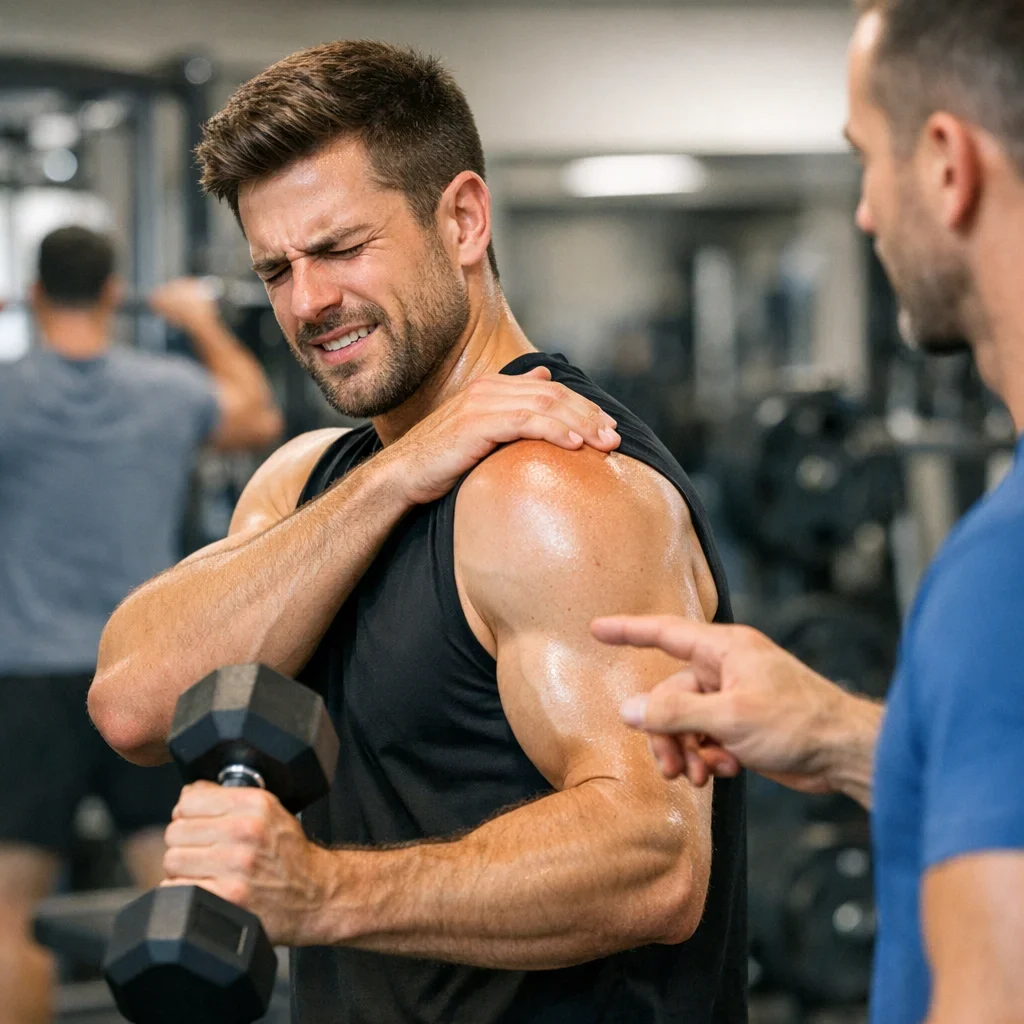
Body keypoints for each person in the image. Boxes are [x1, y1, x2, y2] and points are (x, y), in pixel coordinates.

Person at [88, 41, 747, 1024]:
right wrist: (397, 470)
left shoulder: (550, 486)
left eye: (343, 247)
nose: (309, 301)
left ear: (464, 219)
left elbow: (652, 857)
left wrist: (322, 893)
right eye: (277, 268)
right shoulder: (314, 481)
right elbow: (134, 705)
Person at [593, 1, 1024, 1022]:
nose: (866, 211)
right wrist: (838, 733)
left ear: (945, 164)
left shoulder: (997, 576)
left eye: (864, 160)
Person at [0, 225, 284, 1024]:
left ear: (34, 291)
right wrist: (196, 320)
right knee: (176, 908)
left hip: (26, 680)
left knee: (9, 918)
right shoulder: (167, 389)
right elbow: (258, 415)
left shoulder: (8, 390)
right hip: (142, 674)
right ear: (112, 286)